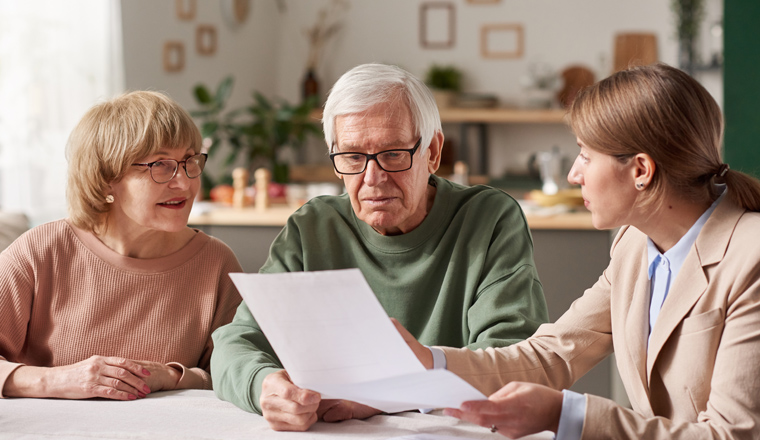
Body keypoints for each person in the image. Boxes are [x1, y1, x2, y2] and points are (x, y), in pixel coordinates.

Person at [396, 63, 760, 439]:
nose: (573, 174)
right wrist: (429, 362)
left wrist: (569, 415)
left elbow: (732, 435)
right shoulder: (634, 245)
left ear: (641, 170)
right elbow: (552, 355)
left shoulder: (752, 259)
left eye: (585, 155)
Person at [211, 63, 549, 431]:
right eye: (353, 157)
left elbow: (512, 362)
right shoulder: (313, 227)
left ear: (433, 152)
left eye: (392, 154)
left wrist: (386, 397)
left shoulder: (489, 219)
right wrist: (264, 386)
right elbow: (234, 343)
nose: (373, 179)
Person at [0, 91, 242, 400]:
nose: (184, 183)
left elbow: (238, 373)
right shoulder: (41, 251)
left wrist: (172, 376)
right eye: (161, 165)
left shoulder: (216, 262)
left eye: (188, 161)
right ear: (105, 179)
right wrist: (57, 380)